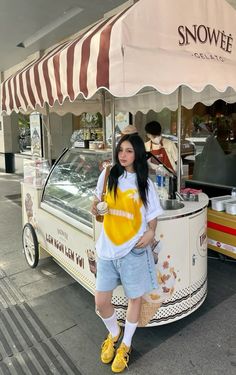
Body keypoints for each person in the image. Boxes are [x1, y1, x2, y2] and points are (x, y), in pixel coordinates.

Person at [91, 134, 163, 373]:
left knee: (135, 299)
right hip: (107, 250)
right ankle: (114, 332)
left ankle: (126, 344)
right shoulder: (108, 175)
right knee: (101, 303)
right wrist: (95, 209)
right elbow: (97, 208)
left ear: (138, 154)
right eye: (121, 150)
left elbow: (152, 218)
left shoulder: (145, 183)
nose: (123, 155)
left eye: (129, 151)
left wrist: (151, 233)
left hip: (134, 250)